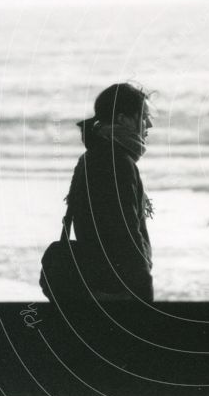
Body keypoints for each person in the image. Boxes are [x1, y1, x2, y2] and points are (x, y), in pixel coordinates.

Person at [65, 82, 155, 302]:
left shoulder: (92, 156)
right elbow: (125, 232)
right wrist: (143, 290)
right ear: (123, 119)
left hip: (97, 283)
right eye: (143, 116)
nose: (149, 124)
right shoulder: (117, 162)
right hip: (116, 290)